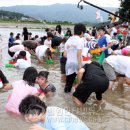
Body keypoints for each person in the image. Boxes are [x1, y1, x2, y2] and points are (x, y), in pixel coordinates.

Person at [19, 95, 90, 130]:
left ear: (36, 112)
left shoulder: (54, 115)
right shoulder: (39, 120)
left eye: (27, 115)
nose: (26, 118)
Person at [64, 23, 86, 93]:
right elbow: (79, 55)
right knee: (80, 82)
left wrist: (71, 57)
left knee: (68, 83)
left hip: (68, 64)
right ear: (82, 32)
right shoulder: (80, 40)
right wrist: (80, 68)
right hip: (76, 64)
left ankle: (66, 97)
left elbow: (64, 54)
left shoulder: (68, 40)